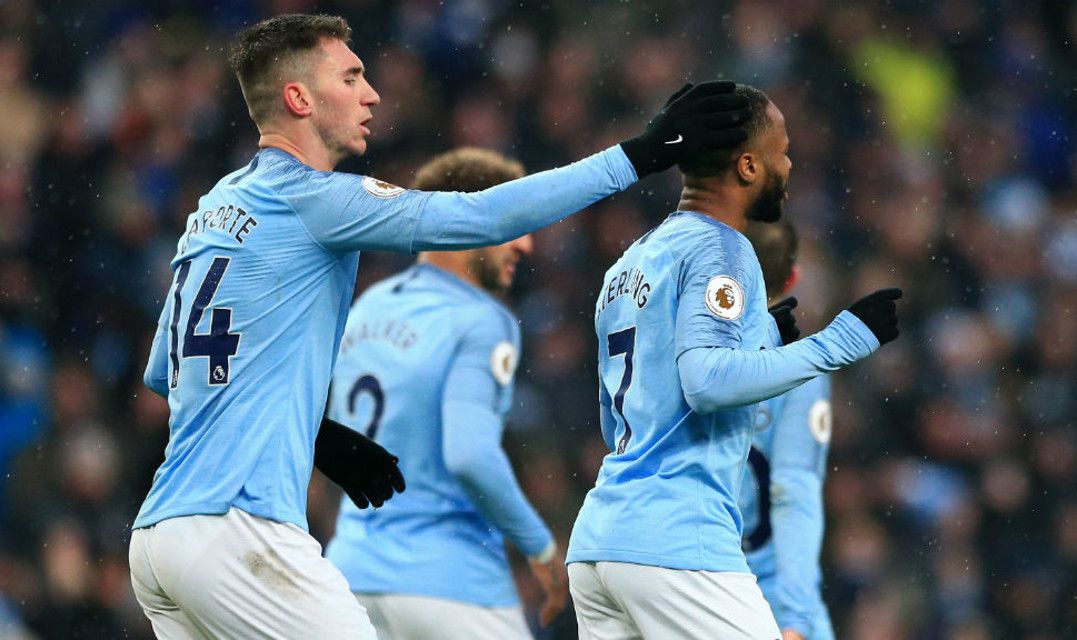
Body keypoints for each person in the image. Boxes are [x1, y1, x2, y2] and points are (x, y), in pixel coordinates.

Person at [127, 12, 754, 639]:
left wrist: (316, 436)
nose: (371, 93)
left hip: (161, 535)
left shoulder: (216, 206)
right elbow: (477, 218)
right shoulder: (313, 198)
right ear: (299, 99)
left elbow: (167, 372)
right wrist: (641, 156)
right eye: (351, 77)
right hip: (239, 529)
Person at [565, 83, 903, 640]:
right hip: (678, 543)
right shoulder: (723, 247)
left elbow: (618, 415)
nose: (789, 165)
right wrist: (842, 339)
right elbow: (705, 381)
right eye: (782, 150)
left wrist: (764, 337)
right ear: (748, 165)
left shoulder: (631, 262)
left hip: (601, 544)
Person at [323, 147, 567, 639]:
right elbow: (471, 455)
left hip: (348, 577)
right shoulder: (482, 319)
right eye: (511, 223)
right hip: (451, 585)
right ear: (464, 223)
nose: (525, 245)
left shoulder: (366, 309)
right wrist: (541, 549)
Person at [739, 219, 837, 640]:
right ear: (792, 278)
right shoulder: (802, 370)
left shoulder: (679, 354)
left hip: (685, 585)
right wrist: (796, 619)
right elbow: (793, 490)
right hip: (768, 595)